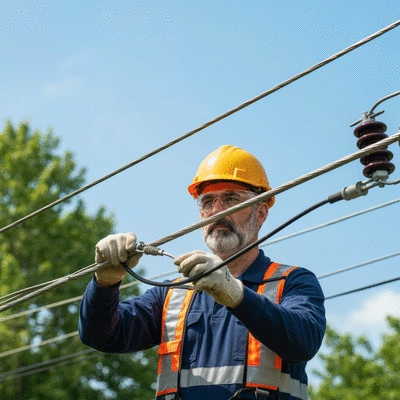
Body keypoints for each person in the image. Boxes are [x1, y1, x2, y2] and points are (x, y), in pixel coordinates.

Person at [79, 145, 326, 400]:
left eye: (231, 198)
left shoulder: (291, 282)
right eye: (208, 201)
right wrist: (105, 283)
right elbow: (101, 335)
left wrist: (234, 293)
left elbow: (302, 341)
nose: (217, 211)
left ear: (261, 211)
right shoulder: (173, 296)